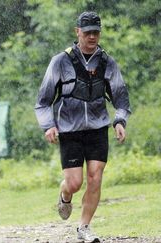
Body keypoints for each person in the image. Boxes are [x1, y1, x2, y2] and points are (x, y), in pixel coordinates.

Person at [34, 11, 131, 243]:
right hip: (69, 129)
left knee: (95, 177)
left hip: (98, 128)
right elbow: (43, 101)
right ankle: (65, 195)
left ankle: (84, 227)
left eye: (96, 32)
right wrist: (48, 126)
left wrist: (119, 120)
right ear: (77, 32)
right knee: (75, 183)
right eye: (87, 33)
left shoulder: (107, 62)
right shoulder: (60, 61)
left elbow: (121, 97)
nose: (92, 37)